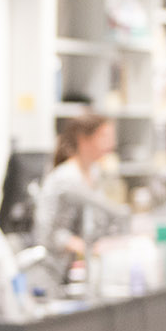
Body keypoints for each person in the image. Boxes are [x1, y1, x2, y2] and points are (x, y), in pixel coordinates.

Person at [33, 114, 123, 283]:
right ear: (83, 139)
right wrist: (87, 248)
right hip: (58, 271)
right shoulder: (65, 178)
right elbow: (49, 234)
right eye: (104, 137)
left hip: (87, 268)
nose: (111, 145)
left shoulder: (95, 173)